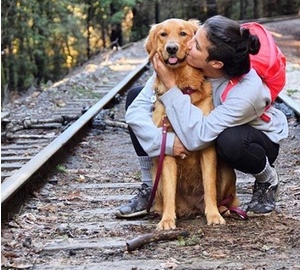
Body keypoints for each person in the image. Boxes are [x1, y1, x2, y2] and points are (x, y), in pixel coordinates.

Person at [115, 15, 288, 218]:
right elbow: (136, 111)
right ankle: (150, 185)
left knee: (230, 140)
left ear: (215, 63)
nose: (186, 46)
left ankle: (266, 178)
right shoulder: (185, 63)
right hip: (203, 131)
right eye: (193, 38)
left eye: (195, 45)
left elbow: (199, 137)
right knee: (136, 95)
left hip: (253, 141)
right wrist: (164, 142)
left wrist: (171, 87)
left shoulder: (248, 92)